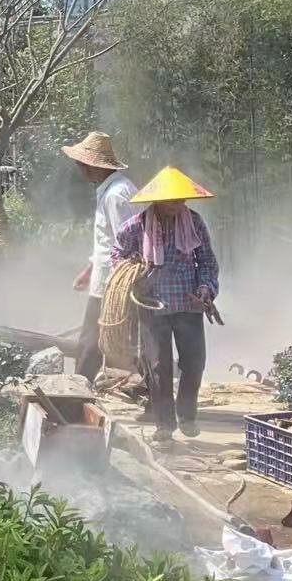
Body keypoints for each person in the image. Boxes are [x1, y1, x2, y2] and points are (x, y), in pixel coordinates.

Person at [111, 167, 219, 442]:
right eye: (171, 200)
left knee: (194, 362)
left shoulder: (194, 222)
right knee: (158, 366)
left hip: (188, 303)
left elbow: (207, 261)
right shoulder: (135, 226)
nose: (177, 204)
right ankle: (164, 425)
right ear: (157, 200)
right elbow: (117, 255)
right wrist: (130, 270)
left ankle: (187, 416)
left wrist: (205, 288)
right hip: (151, 305)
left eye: (181, 199)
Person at [61, 131, 139, 383]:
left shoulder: (116, 195)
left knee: (91, 339)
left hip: (112, 281)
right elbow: (107, 242)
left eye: (81, 164)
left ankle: (78, 389)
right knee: (105, 337)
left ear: (93, 166)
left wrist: (119, 282)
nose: (79, 169)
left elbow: (125, 242)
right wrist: (89, 270)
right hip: (106, 276)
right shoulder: (114, 189)